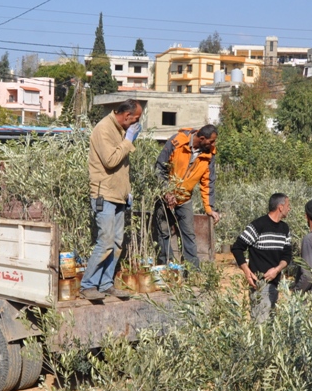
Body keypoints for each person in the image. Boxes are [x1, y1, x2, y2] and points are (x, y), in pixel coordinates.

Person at [79, 99, 144, 301]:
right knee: (105, 242)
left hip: (118, 196)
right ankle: (87, 285)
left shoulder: (119, 130)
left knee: (116, 244)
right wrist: (129, 141)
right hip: (104, 195)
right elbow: (110, 160)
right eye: (136, 119)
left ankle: (106, 284)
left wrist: (127, 192)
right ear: (126, 116)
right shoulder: (104, 129)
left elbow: (121, 168)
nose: (136, 123)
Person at [152, 124, 221, 269]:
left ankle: (192, 270)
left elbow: (208, 182)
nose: (213, 145)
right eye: (211, 141)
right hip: (164, 197)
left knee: (188, 234)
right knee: (164, 232)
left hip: (184, 199)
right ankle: (167, 268)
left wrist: (209, 209)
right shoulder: (176, 142)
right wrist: (166, 192)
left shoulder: (209, 154)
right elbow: (159, 169)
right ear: (202, 138)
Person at [231, 193, 292, 321]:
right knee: (260, 326)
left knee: (270, 327)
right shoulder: (258, 225)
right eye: (288, 205)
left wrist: (276, 270)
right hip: (259, 285)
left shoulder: (285, 228)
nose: (289, 208)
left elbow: (287, 255)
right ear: (280, 207)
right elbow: (237, 248)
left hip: (275, 285)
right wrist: (247, 272)